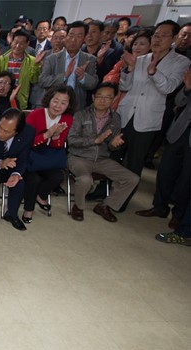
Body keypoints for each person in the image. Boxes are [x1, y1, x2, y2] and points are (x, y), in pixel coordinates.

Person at [118, 20, 191, 176]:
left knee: (134, 162)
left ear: (174, 38)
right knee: (114, 155)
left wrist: (153, 72)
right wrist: (129, 69)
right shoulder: (142, 58)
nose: (158, 39)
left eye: (164, 35)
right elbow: (124, 86)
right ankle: (103, 188)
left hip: (147, 119)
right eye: (156, 35)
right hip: (126, 113)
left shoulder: (181, 62)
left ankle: (126, 192)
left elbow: (168, 88)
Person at [68, 82, 138, 222]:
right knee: (85, 179)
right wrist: (94, 140)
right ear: (93, 97)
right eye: (99, 96)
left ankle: (105, 206)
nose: (102, 100)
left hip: (102, 159)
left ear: (114, 99)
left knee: (132, 179)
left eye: (107, 97)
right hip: (79, 157)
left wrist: (114, 144)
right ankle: (78, 206)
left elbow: (112, 146)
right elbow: (71, 140)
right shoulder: (81, 114)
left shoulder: (115, 118)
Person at [135, 67, 191, 228]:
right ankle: (160, 206)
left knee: (186, 179)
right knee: (165, 172)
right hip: (179, 132)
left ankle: (179, 215)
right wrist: (187, 88)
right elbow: (178, 101)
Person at [21, 86, 74, 224]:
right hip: (30, 156)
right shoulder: (35, 115)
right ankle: (28, 210)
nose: (58, 106)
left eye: (63, 103)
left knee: (58, 177)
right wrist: (47, 134)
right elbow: (26, 142)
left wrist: (55, 137)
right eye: (55, 101)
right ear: (49, 99)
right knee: (33, 179)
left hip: (49, 157)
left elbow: (58, 146)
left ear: (68, 105)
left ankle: (40, 195)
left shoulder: (67, 119)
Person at [38, 21, 98, 112]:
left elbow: (93, 84)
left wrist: (82, 77)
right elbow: (43, 81)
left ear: (84, 38)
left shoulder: (90, 59)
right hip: (54, 106)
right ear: (66, 37)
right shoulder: (52, 58)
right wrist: (64, 75)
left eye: (79, 36)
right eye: (71, 35)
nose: (73, 40)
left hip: (77, 107)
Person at [0, 29, 43, 109]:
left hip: (20, 103)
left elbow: (34, 80)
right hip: (1, 101)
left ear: (27, 44)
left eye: (21, 43)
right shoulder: (2, 58)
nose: (17, 46)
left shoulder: (32, 61)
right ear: (11, 41)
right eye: (16, 42)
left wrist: (36, 65)